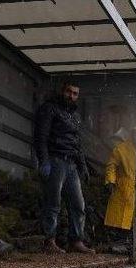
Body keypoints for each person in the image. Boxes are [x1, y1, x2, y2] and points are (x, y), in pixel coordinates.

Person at [34, 81, 93, 254]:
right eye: (69, 91)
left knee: (78, 204)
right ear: (62, 91)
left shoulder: (74, 115)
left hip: (71, 164)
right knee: (53, 203)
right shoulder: (49, 108)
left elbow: (77, 143)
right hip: (55, 160)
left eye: (75, 93)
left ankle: (76, 241)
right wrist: (44, 161)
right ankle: (49, 241)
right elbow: (41, 136)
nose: (71, 96)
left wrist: (83, 166)